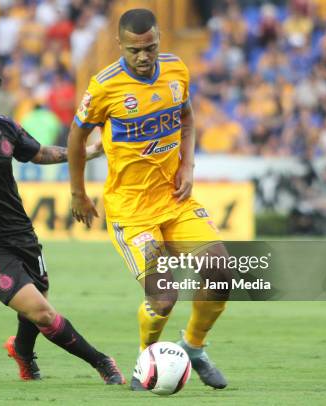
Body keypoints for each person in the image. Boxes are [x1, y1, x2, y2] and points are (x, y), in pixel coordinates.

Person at [0, 64, 125, 384]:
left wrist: (86, 152)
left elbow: (38, 153)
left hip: (21, 232)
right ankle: (101, 361)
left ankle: (23, 352)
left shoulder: (4, 127)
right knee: (42, 311)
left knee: (37, 297)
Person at [67, 9, 231, 390]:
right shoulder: (104, 85)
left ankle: (193, 346)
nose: (144, 56)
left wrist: (187, 166)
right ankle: (148, 356)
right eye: (135, 49)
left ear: (159, 40)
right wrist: (78, 191)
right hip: (132, 211)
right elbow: (77, 137)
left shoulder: (176, 70)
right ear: (120, 44)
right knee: (164, 295)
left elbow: (186, 117)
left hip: (174, 200)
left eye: (151, 47)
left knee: (221, 270)